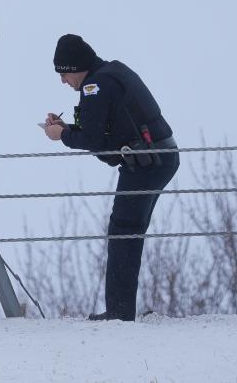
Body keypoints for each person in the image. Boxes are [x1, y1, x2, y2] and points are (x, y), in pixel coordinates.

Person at [41, 34, 179, 321]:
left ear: (75, 67)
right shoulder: (111, 72)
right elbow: (106, 129)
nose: (63, 82)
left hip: (146, 163)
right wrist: (68, 127)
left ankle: (119, 312)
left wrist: (62, 135)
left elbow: (95, 140)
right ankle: (121, 308)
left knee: (123, 230)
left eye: (64, 74)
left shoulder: (94, 86)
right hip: (159, 157)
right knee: (129, 229)